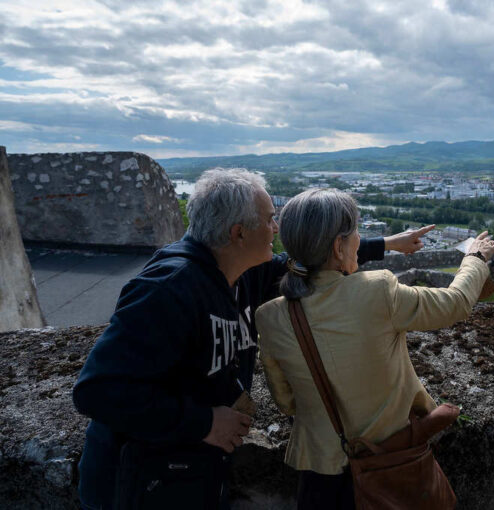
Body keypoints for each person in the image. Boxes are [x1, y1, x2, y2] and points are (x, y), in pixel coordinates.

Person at [72, 168, 434, 509]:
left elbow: (311, 260)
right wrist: (205, 422)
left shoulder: (242, 272)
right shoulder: (169, 289)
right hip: (133, 486)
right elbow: (97, 390)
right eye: (269, 219)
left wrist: (386, 244)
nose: (276, 228)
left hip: (183, 473)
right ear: (238, 233)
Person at [253, 188, 494, 508]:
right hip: (390, 464)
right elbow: (455, 304)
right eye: (356, 231)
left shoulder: (270, 317)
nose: (359, 239)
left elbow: (286, 402)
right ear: (339, 247)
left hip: (320, 475)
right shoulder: (377, 291)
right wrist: (475, 259)